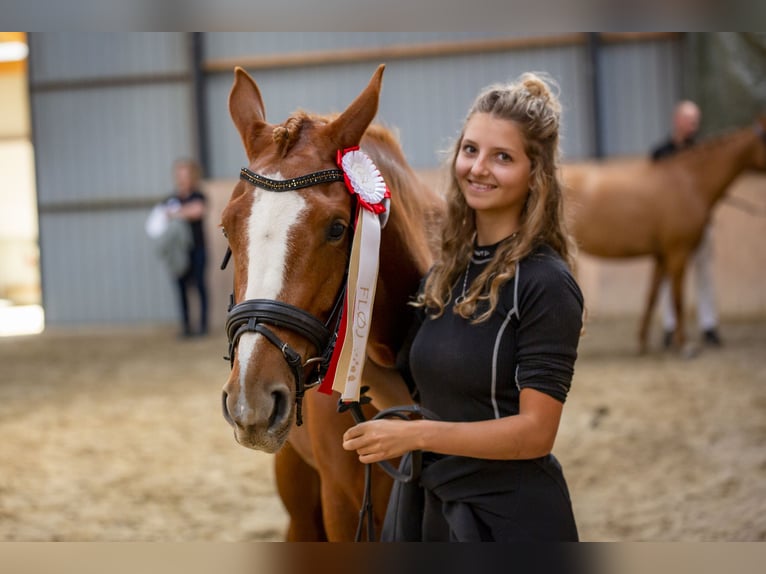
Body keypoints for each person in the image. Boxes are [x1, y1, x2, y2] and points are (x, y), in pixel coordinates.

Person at [342, 73, 584, 542]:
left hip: (506, 518)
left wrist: (415, 437)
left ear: (536, 174)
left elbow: (537, 433)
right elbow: (417, 400)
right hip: (426, 509)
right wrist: (344, 353)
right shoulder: (445, 275)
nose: (478, 168)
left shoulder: (546, 284)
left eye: (503, 157)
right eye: (470, 149)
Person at [651, 100, 723, 349]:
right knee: (669, 277)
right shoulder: (661, 153)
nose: (694, 125)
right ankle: (670, 327)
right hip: (670, 230)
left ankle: (708, 325)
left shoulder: (701, 152)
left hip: (698, 226)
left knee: (704, 273)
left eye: (696, 120)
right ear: (677, 120)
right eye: (690, 119)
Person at [166, 158, 209, 338]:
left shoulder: (198, 196)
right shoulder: (171, 198)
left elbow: (198, 211)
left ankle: (202, 326)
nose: (182, 178)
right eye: (179, 174)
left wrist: (176, 213)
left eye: (185, 174)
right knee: (181, 287)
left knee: (199, 286)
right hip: (179, 251)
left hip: (197, 248)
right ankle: (186, 326)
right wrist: (184, 212)